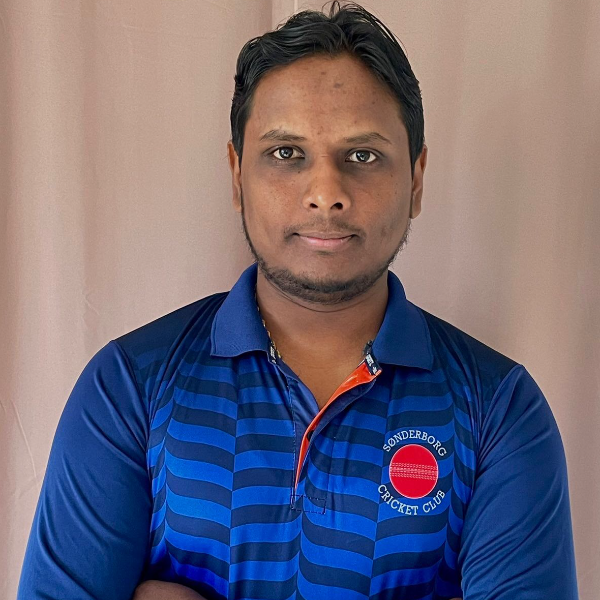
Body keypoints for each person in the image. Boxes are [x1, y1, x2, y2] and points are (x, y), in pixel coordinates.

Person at [17, 2, 579, 599]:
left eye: (362, 155)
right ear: (236, 173)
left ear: (416, 179)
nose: (325, 192)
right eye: (287, 153)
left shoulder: (498, 408)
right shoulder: (129, 387)